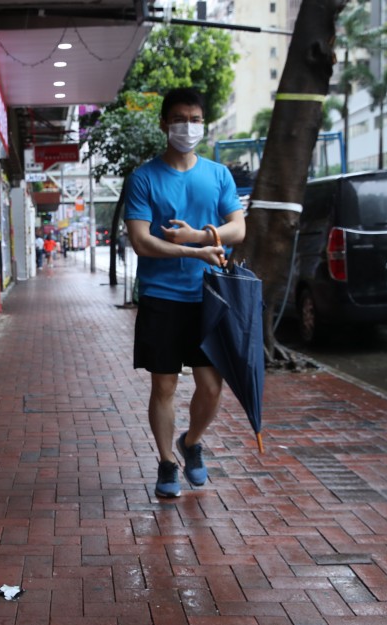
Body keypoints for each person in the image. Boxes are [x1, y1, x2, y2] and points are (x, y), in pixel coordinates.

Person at [123, 87, 246, 499]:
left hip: (210, 297)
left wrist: (199, 235)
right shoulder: (144, 178)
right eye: (180, 119)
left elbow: (238, 227)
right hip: (162, 296)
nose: (188, 127)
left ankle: (190, 443)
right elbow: (141, 241)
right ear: (164, 123)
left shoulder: (218, 175)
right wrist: (194, 251)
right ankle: (165, 461)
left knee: (212, 386)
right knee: (165, 386)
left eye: (195, 119)